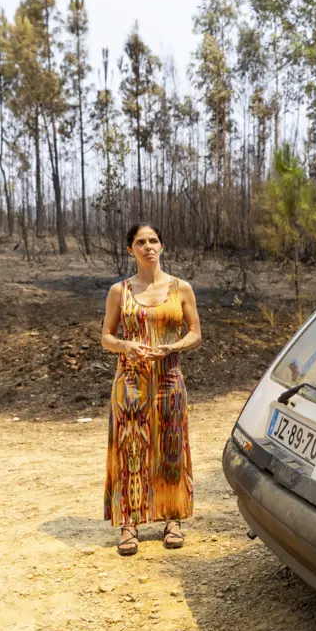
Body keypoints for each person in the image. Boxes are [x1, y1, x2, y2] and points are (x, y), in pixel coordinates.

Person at [101, 224, 202, 556]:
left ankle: (172, 518)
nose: (148, 246)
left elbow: (194, 333)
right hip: (130, 380)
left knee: (171, 449)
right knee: (130, 447)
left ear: (162, 246)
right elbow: (107, 338)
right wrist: (126, 345)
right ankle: (129, 522)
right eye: (140, 242)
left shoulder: (181, 288)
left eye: (153, 241)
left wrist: (173, 348)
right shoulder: (120, 291)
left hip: (169, 378)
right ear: (130, 250)